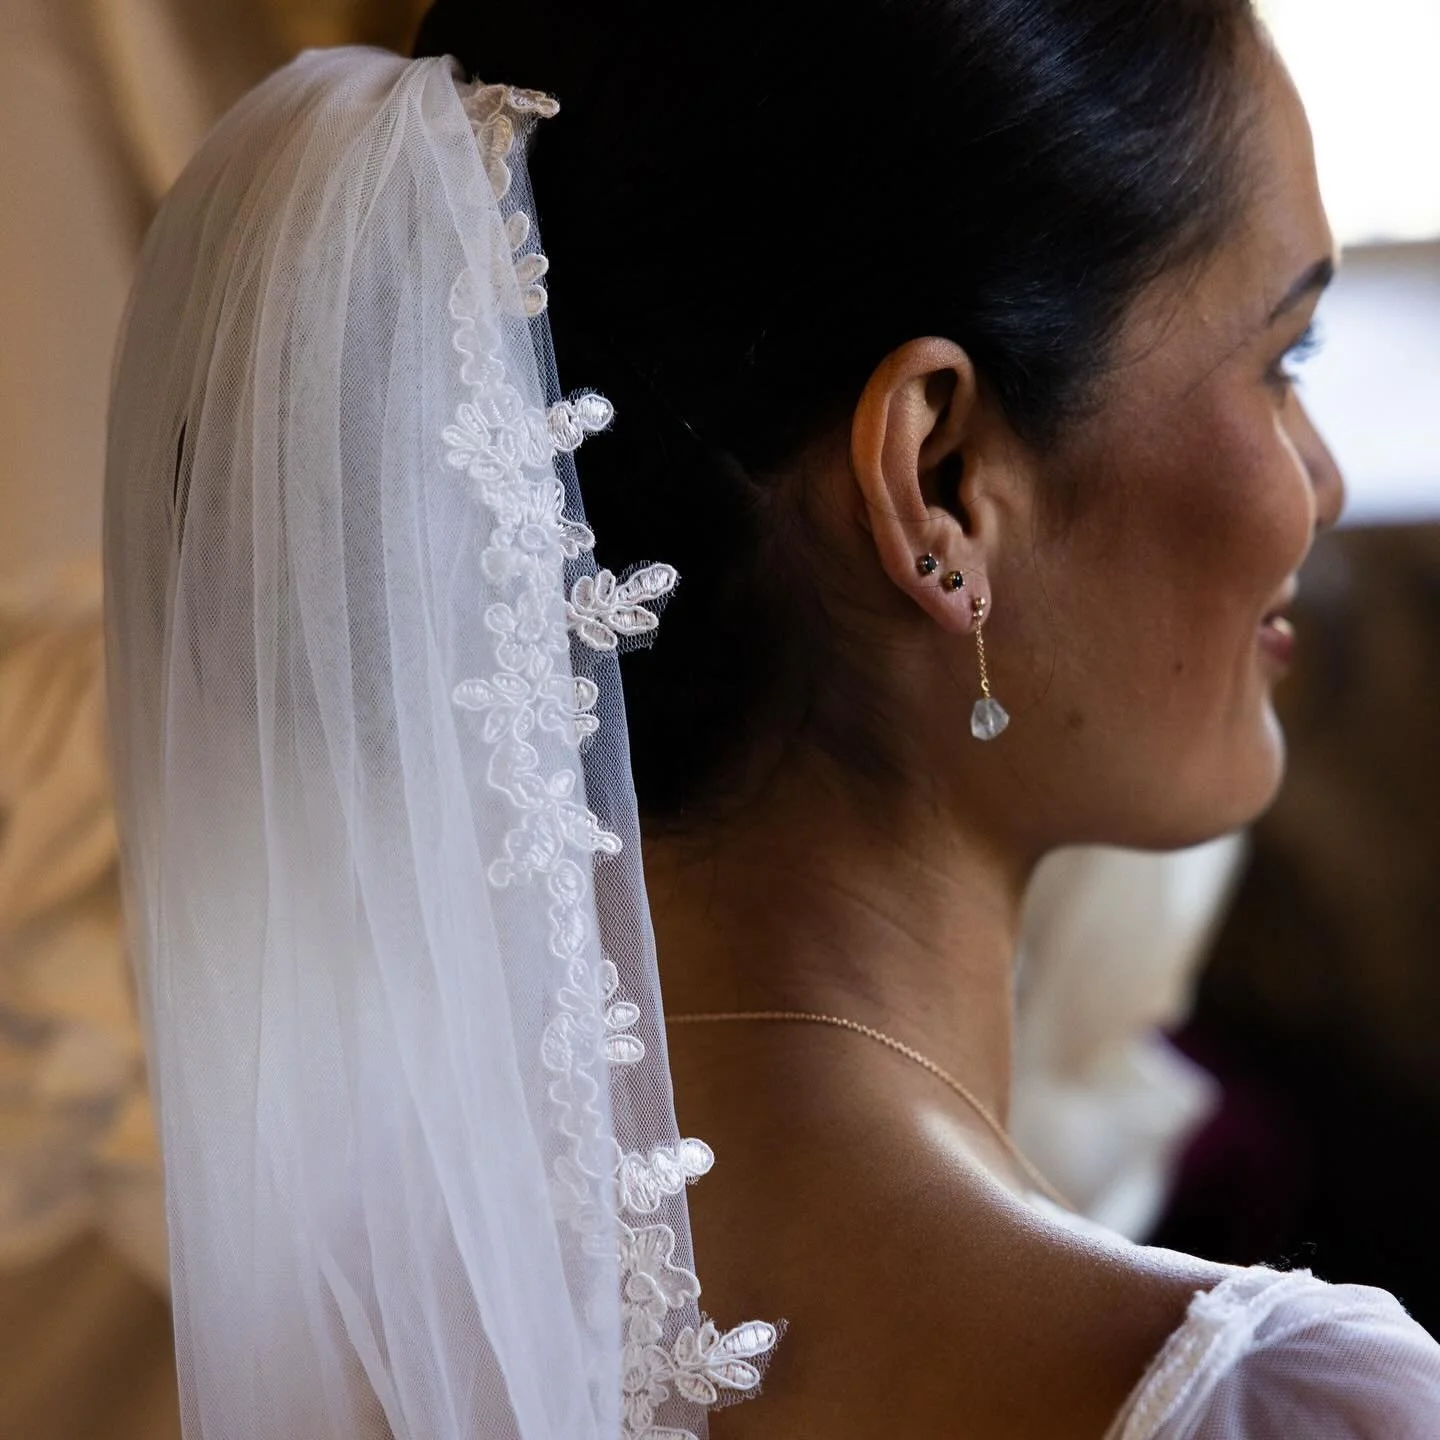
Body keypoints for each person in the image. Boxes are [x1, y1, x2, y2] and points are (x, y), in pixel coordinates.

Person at [104, 4, 1440, 1438]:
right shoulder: (1280, 1405)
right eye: (1280, 359)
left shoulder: (368, 1343)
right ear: (942, 480)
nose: (1326, 482)